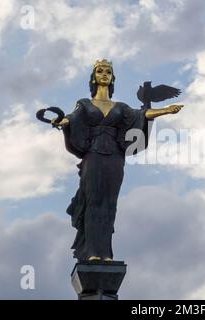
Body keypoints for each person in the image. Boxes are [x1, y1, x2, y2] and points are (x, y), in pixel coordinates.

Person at [54, 59, 183, 262]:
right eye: (99, 71)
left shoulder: (120, 107)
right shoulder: (85, 104)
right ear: (94, 77)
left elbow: (140, 115)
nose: (104, 74)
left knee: (110, 204)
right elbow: (73, 117)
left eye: (108, 71)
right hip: (93, 156)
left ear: (112, 78)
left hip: (115, 157)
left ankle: (106, 254)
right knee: (94, 201)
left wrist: (166, 110)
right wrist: (61, 121)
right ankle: (93, 252)